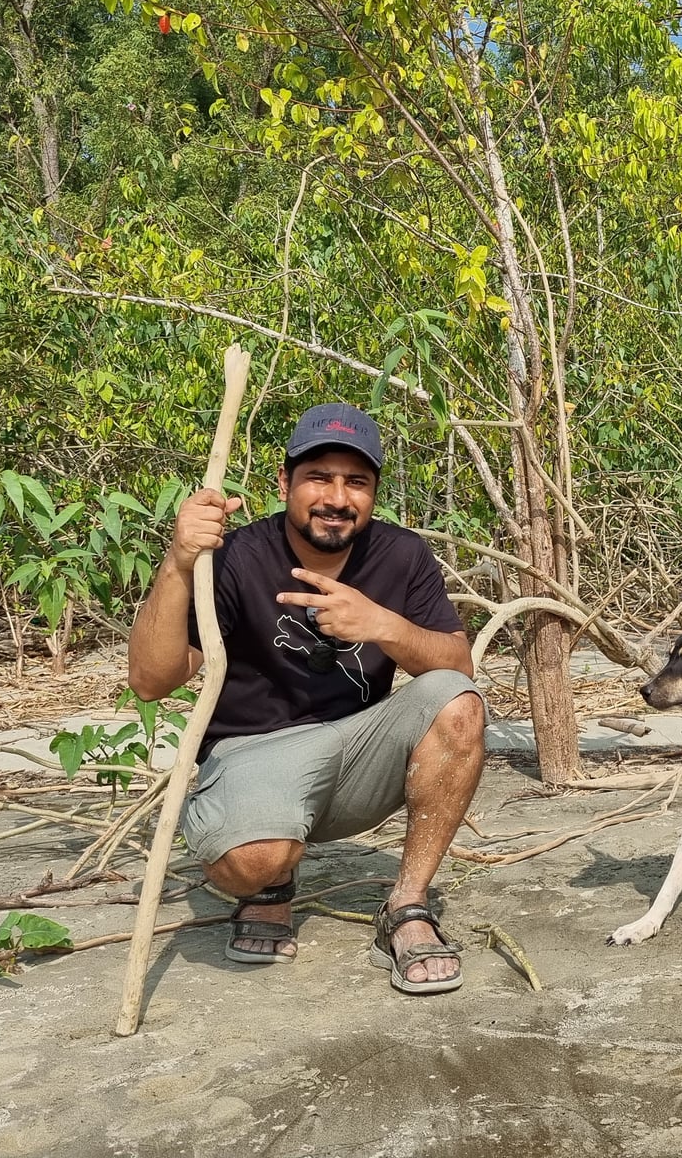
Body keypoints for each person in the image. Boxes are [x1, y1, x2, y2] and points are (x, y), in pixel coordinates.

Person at [128, 403, 485, 994]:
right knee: (252, 863)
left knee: (458, 701)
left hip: (356, 749)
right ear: (285, 482)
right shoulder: (236, 557)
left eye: (357, 482)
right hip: (252, 753)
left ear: (373, 493)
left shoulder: (402, 555)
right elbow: (150, 680)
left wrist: (380, 624)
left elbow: (457, 669)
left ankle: (407, 903)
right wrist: (179, 560)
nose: (337, 498)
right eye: (318, 477)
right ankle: (270, 882)